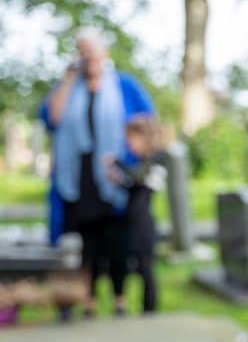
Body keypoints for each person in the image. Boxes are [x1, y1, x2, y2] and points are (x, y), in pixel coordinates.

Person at [39, 28, 155, 317]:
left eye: (93, 49)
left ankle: (118, 302)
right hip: (77, 181)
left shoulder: (124, 86)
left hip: (114, 182)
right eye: (82, 50)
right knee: (80, 248)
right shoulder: (68, 86)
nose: (88, 56)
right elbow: (52, 119)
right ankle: (77, 303)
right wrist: (67, 78)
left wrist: (133, 164)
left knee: (114, 246)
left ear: (105, 53)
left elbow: (148, 127)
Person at [120, 115, 166, 313]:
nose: (128, 143)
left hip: (143, 223)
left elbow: (140, 179)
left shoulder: (157, 161)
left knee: (146, 269)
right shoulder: (144, 162)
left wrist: (117, 164)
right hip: (134, 221)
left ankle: (150, 310)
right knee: (136, 267)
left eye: (131, 139)